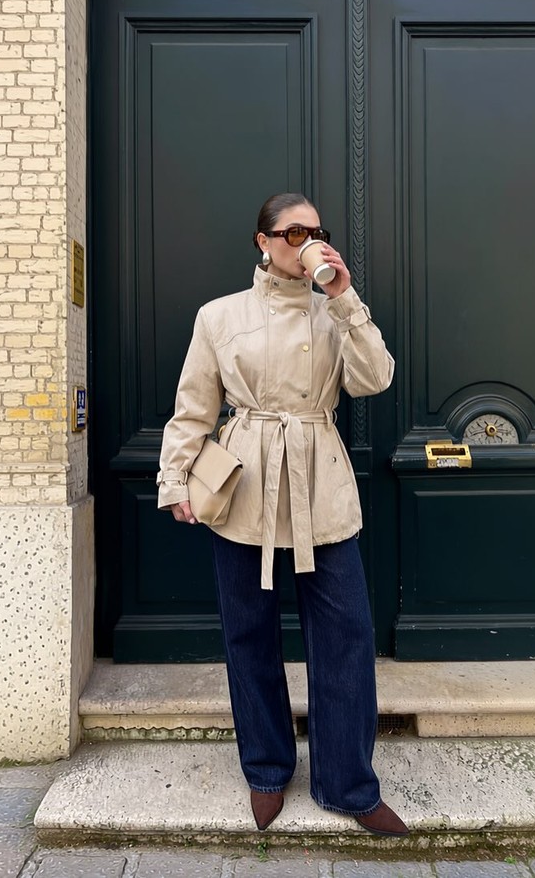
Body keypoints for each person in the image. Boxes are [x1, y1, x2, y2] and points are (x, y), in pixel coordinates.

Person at [156, 193, 409, 837]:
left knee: (347, 638)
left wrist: (347, 298)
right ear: (262, 241)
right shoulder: (220, 316)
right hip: (244, 488)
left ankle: (348, 783)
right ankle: (267, 768)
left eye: (314, 231)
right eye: (291, 232)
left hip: (320, 484)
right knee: (249, 635)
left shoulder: (335, 312)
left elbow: (375, 378)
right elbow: (193, 407)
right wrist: (174, 478)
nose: (305, 243)